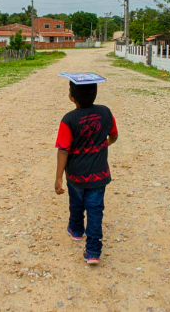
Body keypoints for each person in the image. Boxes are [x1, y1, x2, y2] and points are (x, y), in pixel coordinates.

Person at [54, 80, 118, 265]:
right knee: (95, 209)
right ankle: (93, 250)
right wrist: (103, 144)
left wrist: (58, 177)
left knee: (76, 201)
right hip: (99, 175)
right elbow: (113, 135)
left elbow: (63, 149)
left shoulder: (69, 119)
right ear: (95, 94)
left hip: (75, 175)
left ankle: (75, 230)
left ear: (71, 97)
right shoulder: (105, 112)